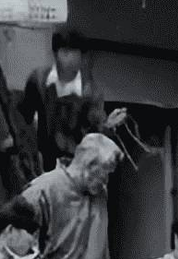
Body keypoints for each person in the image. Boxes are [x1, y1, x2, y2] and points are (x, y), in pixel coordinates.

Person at [19, 27, 128, 172]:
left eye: (75, 53)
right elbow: (24, 115)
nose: (70, 59)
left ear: (82, 57)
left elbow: (95, 132)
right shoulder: (39, 79)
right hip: (42, 158)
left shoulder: (90, 93)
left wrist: (109, 125)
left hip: (73, 164)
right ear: (56, 54)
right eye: (65, 52)